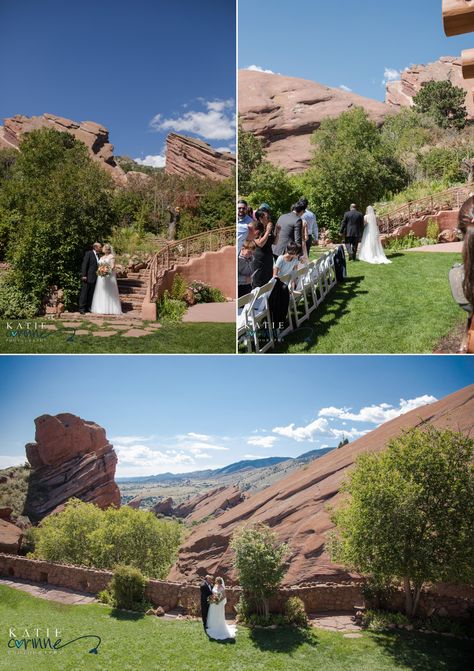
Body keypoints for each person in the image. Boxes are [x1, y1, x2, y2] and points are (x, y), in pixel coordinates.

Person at [90, 243, 123, 315]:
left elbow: (112, 266)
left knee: (109, 292)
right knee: (101, 291)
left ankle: (109, 309)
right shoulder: (102, 257)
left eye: (106, 248)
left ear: (108, 250)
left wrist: (106, 271)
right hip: (101, 278)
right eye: (104, 248)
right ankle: (100, 308)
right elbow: (99, 265)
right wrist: (100, 271)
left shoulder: (111, 257)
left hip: (109, 277)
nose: (104, 249)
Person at [251, 208, 275, 289]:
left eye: (269, 217)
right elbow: (260, 243)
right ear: (261, 218)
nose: (268, 219)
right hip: (259, 259)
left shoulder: (268, 227)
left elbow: (275, 242)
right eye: (267, 217)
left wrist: (277, 232)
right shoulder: (255, 227)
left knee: (268, 281)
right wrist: (267, 231)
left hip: (268, 258)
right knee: (259, 282)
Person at [79, 242, 102, 314]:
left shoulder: (98, 255)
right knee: (84, 293)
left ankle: (88, 307)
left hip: (95, 277)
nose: (101, 248)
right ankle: (81, 308)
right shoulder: (89, 253)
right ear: (95, 247)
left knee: (91, 294)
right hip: (87, 277)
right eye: (100, 247)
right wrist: (84, 275)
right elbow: (84, 264)